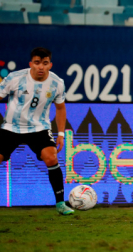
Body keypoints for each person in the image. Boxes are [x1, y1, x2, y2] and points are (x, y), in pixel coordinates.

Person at [0, 47, 73, 215]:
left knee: (51, 157)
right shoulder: (15, 78)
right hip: (11, 127)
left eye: (45, 63)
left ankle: (61, 204)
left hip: (39, 128)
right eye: (37, 63)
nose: (41, 67)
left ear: (50, 65)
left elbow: (60, 109)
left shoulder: (57, 83)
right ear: (30, 64)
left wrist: (61, 134)